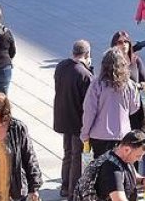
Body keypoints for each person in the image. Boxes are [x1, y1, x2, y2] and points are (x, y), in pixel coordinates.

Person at [81, 48, 142, 158]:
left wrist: (85, 133)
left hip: (99, 135)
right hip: (122, 135)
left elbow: (89, 111)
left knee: (101, 166)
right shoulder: (129, 85)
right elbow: (134, 107)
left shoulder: (97, 84)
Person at [53, 40, 93, 197]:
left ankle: (64, 186)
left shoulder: (61, 66)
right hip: (78, 121)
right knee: (77, 156)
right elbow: (89, 103)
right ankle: (73, 191)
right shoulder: (85, 75)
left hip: (63, 117)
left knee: (67, 152)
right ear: (87, 54)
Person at [83, 130, 145, 201]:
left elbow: (131, 176)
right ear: (126, 150)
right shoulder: (111, 168)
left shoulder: (124, 158)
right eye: (138, 156)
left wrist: (143, 180)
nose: (140, 159)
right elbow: (119, 199)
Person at [110, 30, 145, 132]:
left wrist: (137, 86)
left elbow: (144, 82)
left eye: (126, 41)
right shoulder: (111, 63)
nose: (124, 45)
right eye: (120, 42)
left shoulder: (136, 60)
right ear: (114, 45)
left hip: (134, 104)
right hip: (118, 105)